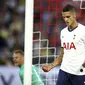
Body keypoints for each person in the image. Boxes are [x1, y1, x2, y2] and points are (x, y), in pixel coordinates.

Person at [42, 4, 85, 85]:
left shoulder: (83, 31)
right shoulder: (63, 32)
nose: (66, 19)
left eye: (68, 16)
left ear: (74, 15)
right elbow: (62, 54)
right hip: (64, 72)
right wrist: (50, 66)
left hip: (79, 73)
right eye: (64, 17)